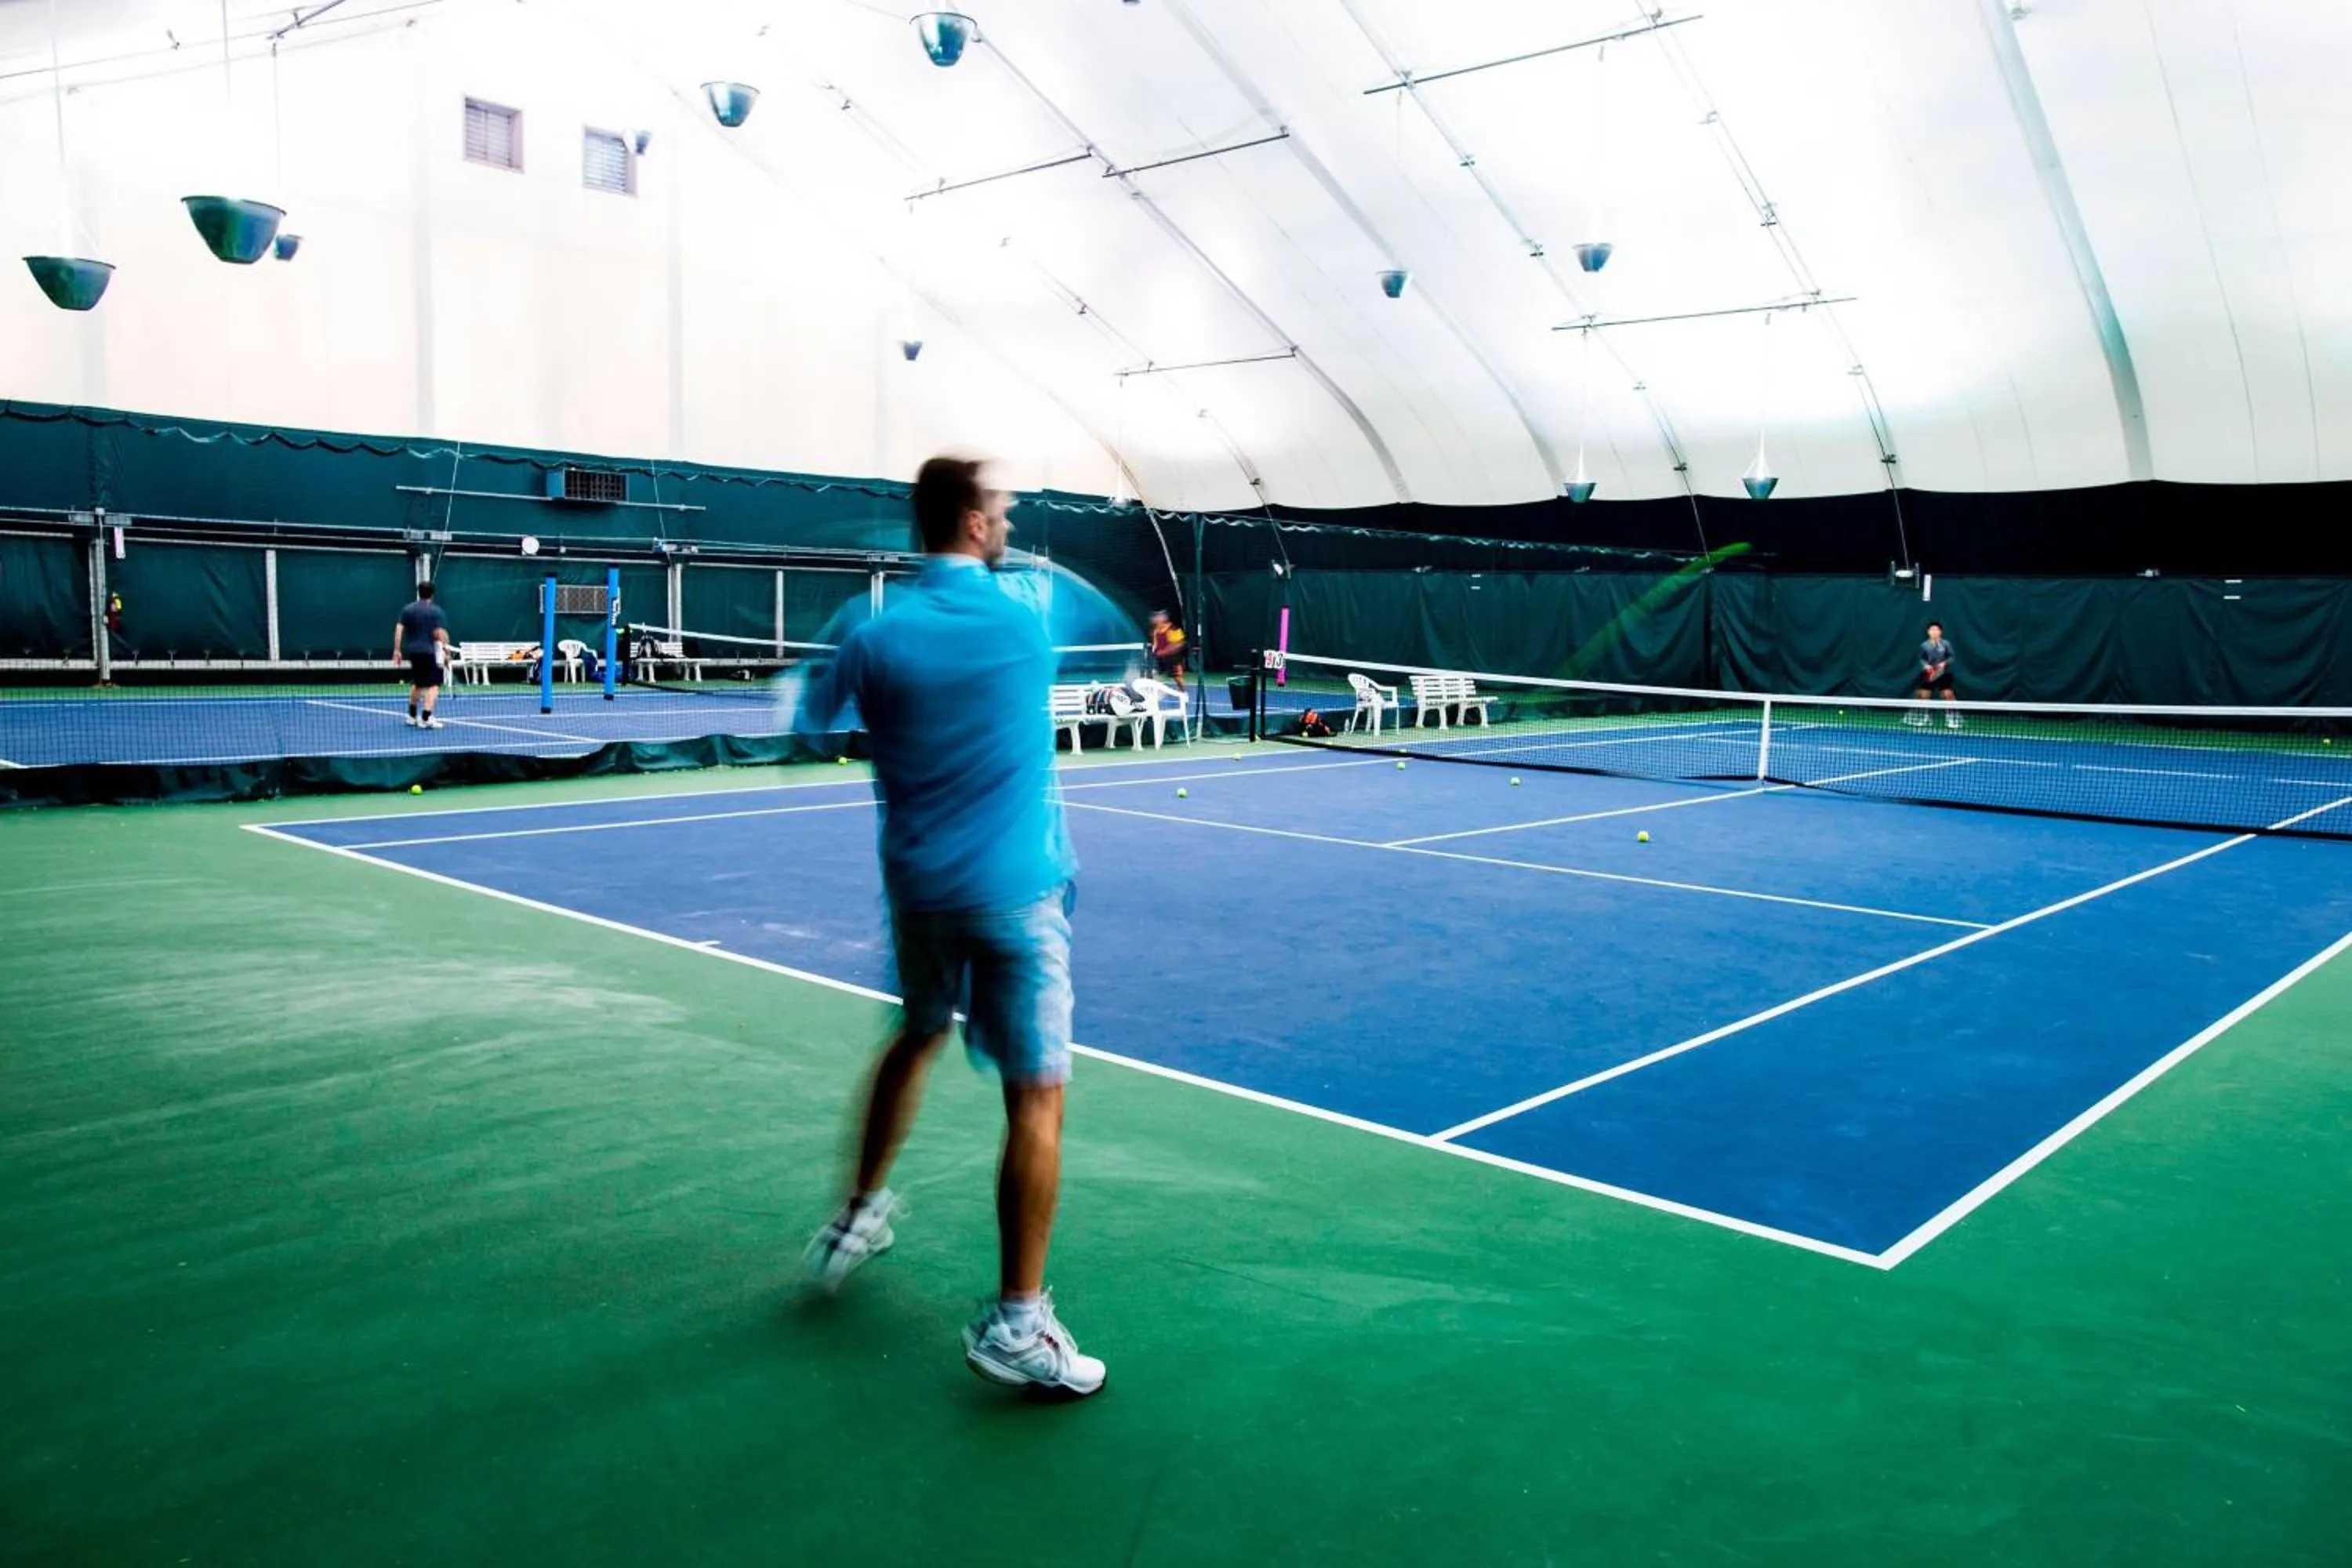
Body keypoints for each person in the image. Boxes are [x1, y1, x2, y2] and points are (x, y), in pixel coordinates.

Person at [797, 454, 1104, 1399]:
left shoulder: (872, 635)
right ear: (973, 524)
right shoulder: (1029, 619)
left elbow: (814, 723)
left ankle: (855, 1216)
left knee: (919, 1033)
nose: (1009, 520)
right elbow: (1108, 623)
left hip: (920, 893)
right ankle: (1018, 1323)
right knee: (1037, 1100)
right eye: (1002, 510)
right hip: (1016, 897)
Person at [393, 581, 450, 729]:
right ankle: (426, 717)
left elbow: (399, 629)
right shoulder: (437, 611)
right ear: (432, 593)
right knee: (434, 685)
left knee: (417, 683)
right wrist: (447, 653)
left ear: (419, 592)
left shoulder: (407, 609)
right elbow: (441, 634)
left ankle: (412, 716)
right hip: (430, 653)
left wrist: (397, 650)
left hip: (413, 653)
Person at [1910, 620, 1961, 730]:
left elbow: (1952, 657)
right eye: (1932, 630)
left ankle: (1951, 718)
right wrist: (1926, 666)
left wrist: (1944, 663)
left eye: (1937, 630)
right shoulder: (1924, 645)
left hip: (1944, 674)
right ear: (1928, 632)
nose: (1934, 632)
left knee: (1947, 695)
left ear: (1940, 632)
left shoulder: (1946, 644)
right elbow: (1920, 659)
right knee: (1923, 696)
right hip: (1929, 675)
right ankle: (1925, 717)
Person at [1148, 609, 1187, 691]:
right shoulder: (1156, 630)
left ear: (1164, 618)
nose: (1156, 618)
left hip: (1173, 658)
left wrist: (1165, 651)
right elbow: (1155, 643)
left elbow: (1179, 644)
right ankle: (1154, 693)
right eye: (1156, 617)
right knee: (1155, 675)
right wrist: (1154, 651)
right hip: (1160, 657)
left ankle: (1183, 692)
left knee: (1177, 677)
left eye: (1159, 616)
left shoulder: (1173, 628)